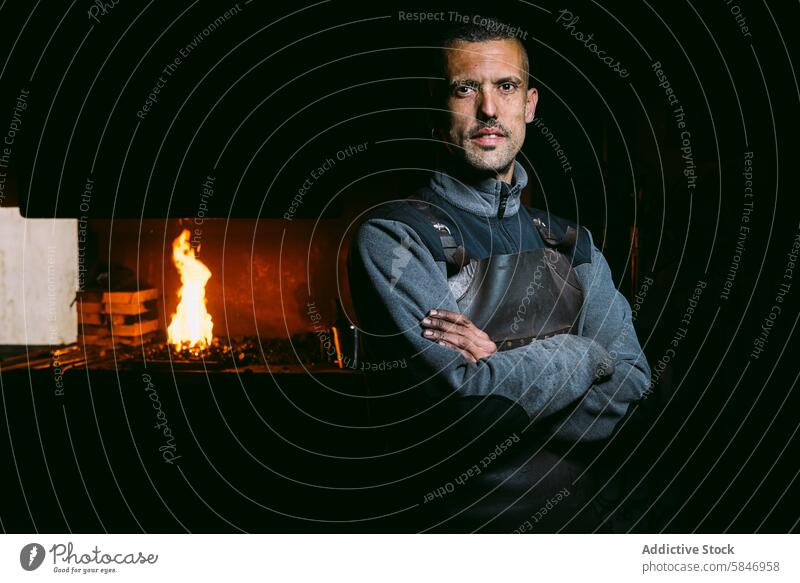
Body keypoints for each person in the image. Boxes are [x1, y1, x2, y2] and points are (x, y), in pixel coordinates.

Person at [346, 18, 651, 533]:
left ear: (529, 105)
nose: (488, 109)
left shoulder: (572, 244)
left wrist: (499, 366)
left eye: (505, 87)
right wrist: (585, 355)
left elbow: (636, 390)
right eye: (466, 88)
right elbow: (464, 412)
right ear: (438, 106)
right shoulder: (395, 237)